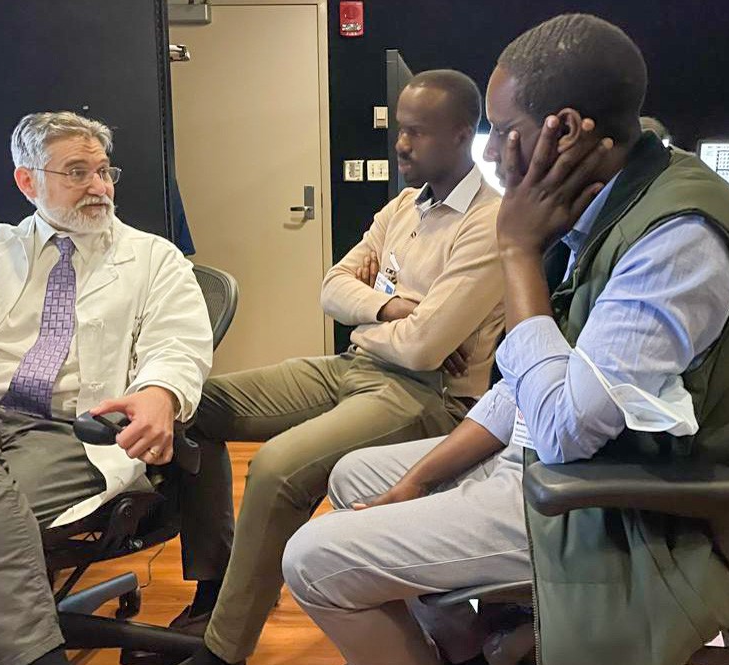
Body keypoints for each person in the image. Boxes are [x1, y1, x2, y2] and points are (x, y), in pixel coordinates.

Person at [283, 13, 729, 665]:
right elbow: (526, 387)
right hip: (564, 468)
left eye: (505, 132)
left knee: (311, 559)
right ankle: (477, 650)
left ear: (562, 129)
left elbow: (565, 429)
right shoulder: (607, 197)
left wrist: (517, 251)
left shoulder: (674, 239)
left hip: (623, 505)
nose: (497, 151)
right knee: (357, 473)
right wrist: (418, 478)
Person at [0, 111, 230, 665]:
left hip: (71, 431)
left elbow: (178, 344)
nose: (99, 186)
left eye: (104, 171)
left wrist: (161, 392)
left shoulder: (153, 257)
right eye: (77, 171)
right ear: (27, 181)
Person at [181, 69, 505, 665]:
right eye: (399, 130)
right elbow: (331, 287)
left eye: (415, 132)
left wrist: (384, 322)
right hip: (354, 366)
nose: (400, 144)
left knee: (278, 469)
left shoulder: (490, 222)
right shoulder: (404, 205)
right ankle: (212, 585)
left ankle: (221, 650)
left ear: (463, 136)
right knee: (191, 405)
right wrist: (395, 310)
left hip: (427, 395)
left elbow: (425, 351)